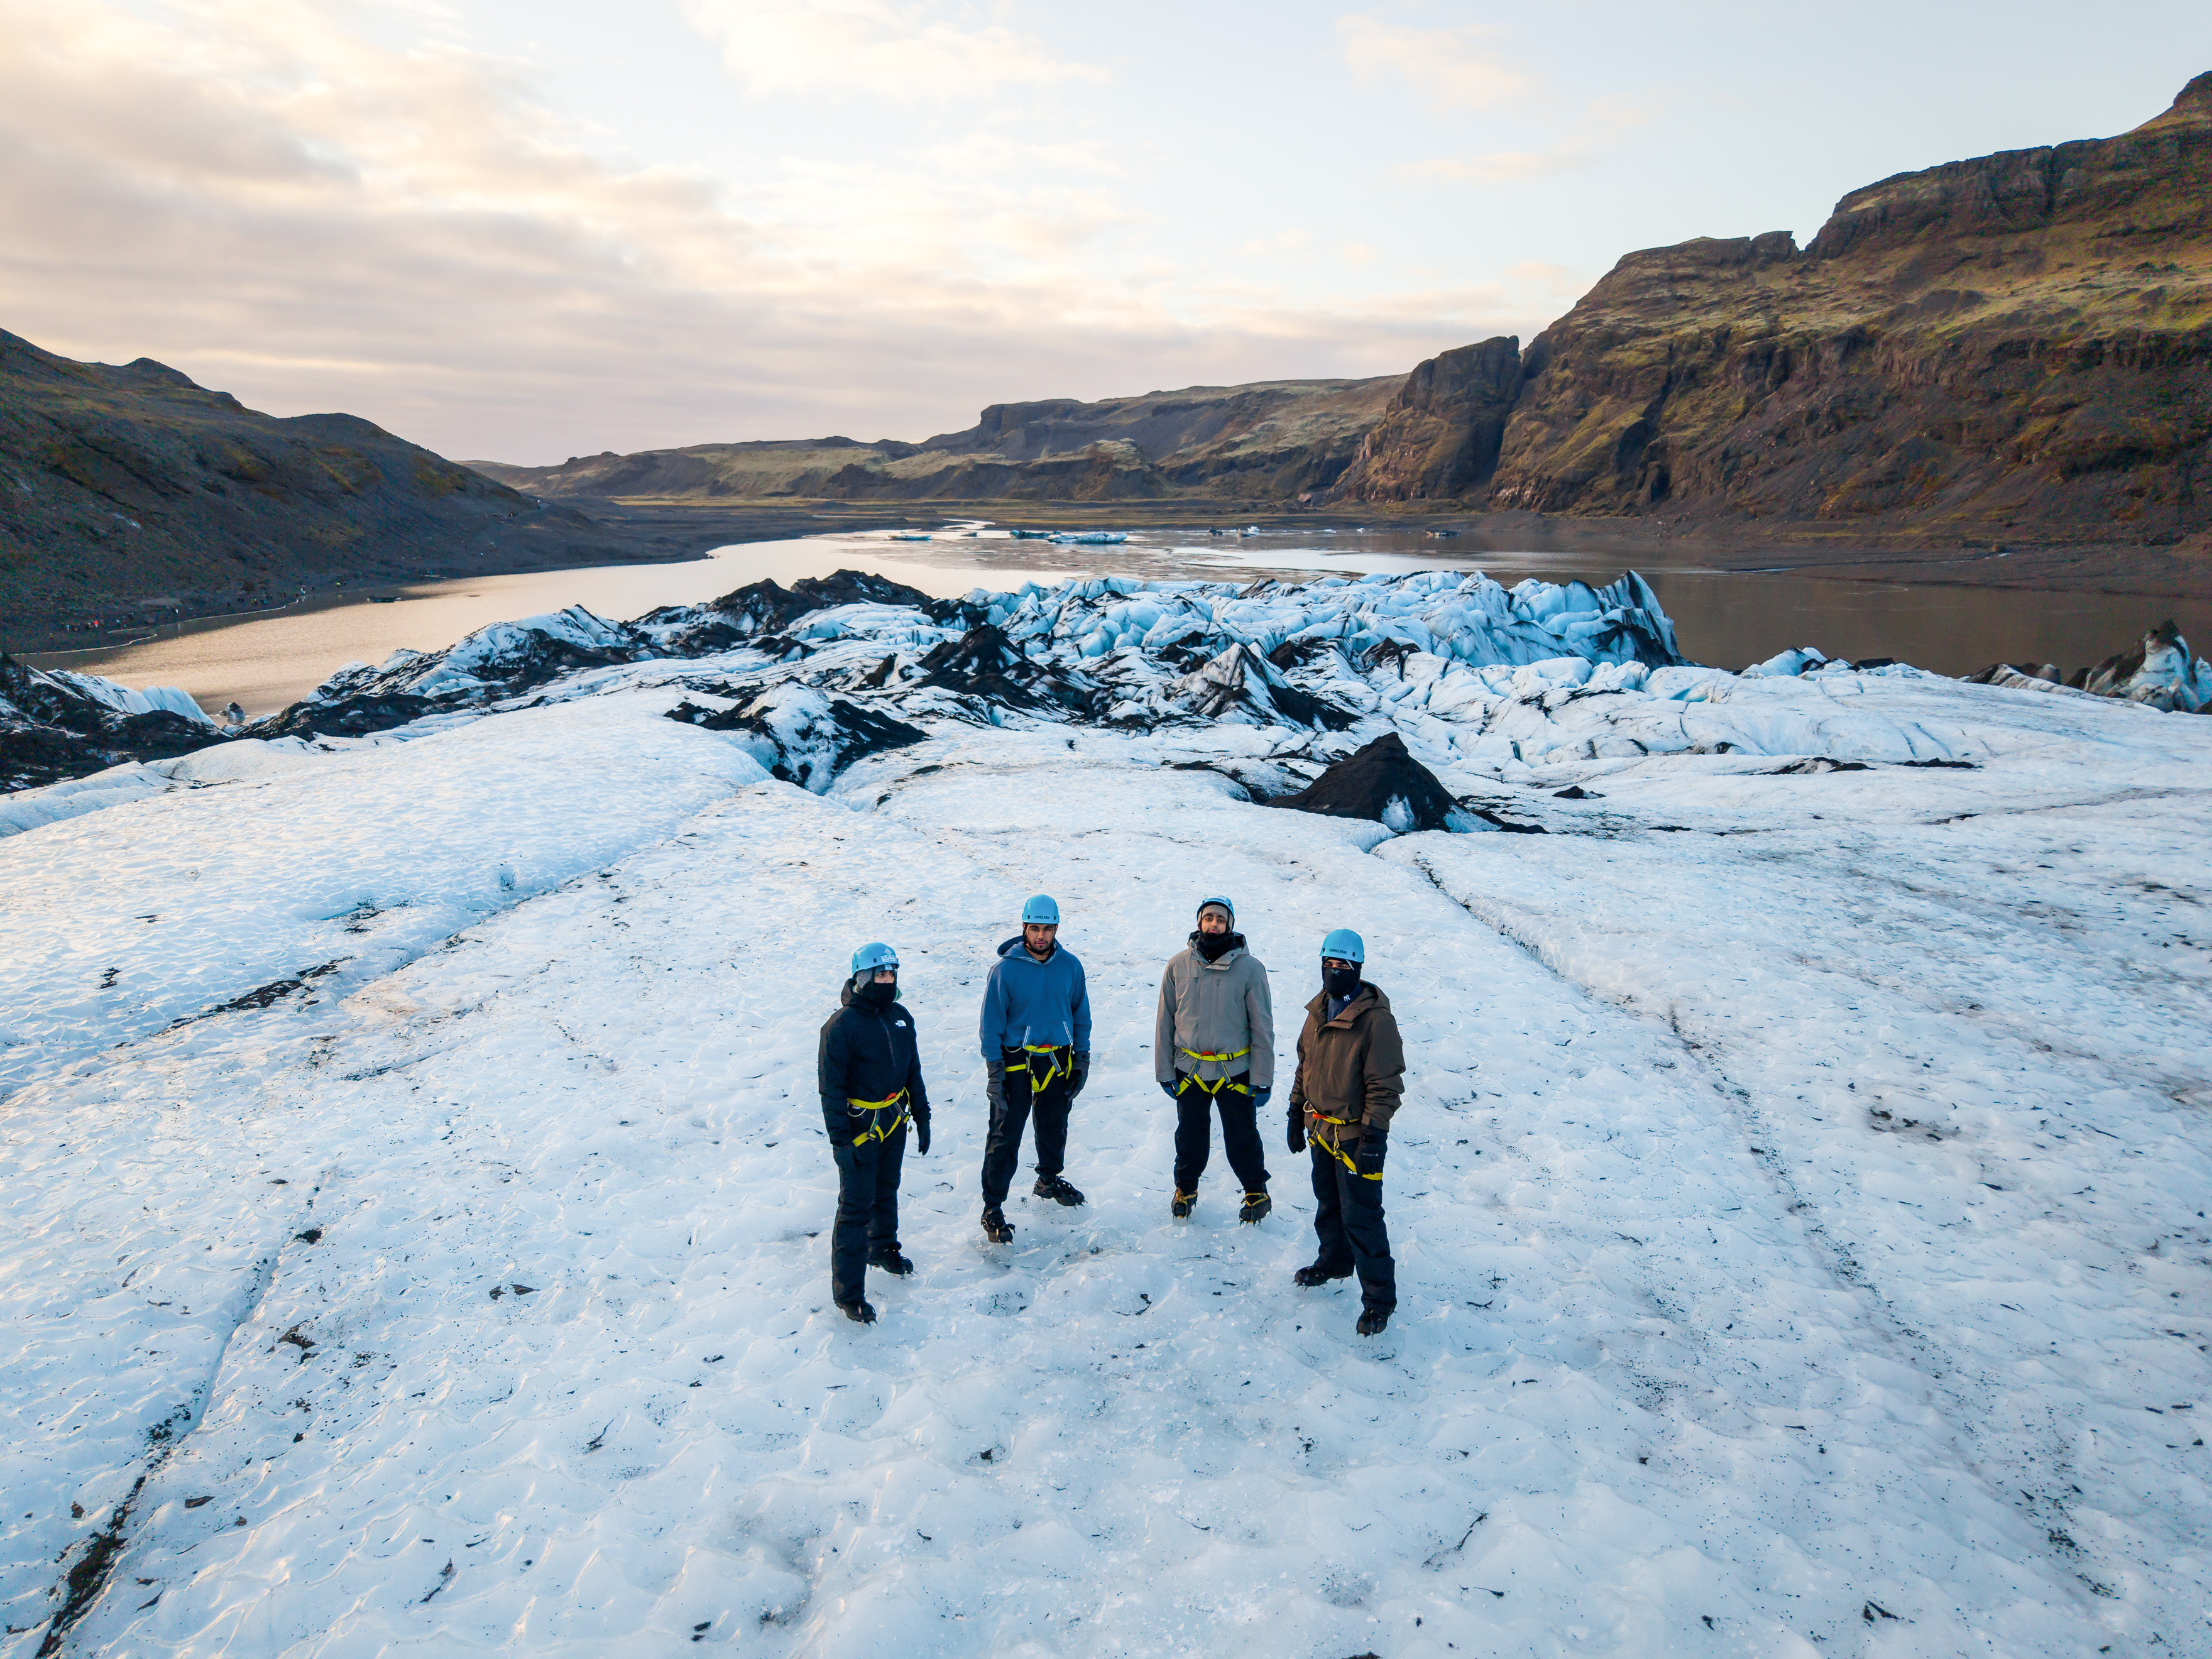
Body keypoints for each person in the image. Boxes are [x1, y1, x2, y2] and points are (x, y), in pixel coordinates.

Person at [1286, 928, 1403, 1336]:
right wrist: (1294, 1111)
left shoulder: (1376, 1021)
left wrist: (1375, 1137)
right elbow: (1306, 1064)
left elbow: (1385, 1084)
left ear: (1357, 968)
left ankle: (1378, 1301)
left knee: (1362, 1217)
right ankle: (1333, 1263)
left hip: (1357, 1138)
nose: (1335, 972)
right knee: (1329, 1205)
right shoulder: (1318, 1010)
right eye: (1329, 964)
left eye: (1343, 966)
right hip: (1320, 1131)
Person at [817, 942, 931, 1324]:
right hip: (860, 1130)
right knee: (855, 1207)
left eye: (892, 974)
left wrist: (924, 1115)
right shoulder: (840, 1027)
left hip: (895, 1121)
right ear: (862, 978)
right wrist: (840, 1142)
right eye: (880, 974)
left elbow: (912, 1069)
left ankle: (882, 1248)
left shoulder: (900, 1017)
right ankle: (849, 1294)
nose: (888, 980)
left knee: (887, 1190)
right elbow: (830, 1090)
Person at [977, 894, 1091, 1242]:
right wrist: (995, 1070)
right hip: (1015, 1062)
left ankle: (1048, 1180)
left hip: (1057, 1059)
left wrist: (1082, 1057)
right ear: (1024, 928)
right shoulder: (1004, 970)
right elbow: (991, 1023)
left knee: (1054, 1126)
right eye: (1035, 928)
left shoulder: (1070, 966)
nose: (1041, 935)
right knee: (1005, 1134)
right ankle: (992, 1207)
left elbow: (1081, 1014)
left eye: (1047, 929)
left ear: (1056, 929)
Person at [1155, 895, 1276, 1223]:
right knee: (1190, 1136)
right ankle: (1185, 1189)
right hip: (1189, 1068)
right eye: (1208, 918)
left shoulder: (1250, 970)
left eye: (1221, 920)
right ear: (1199, 923)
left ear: (1230, 925)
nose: (1214, 924)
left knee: (1242, 1136)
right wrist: (1165, 1070)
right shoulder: (1178, 965)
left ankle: (1256, 1192)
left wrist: (1262, 1078)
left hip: (1234, 1070)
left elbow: (1262, 1028)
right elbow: (1165, 1020)